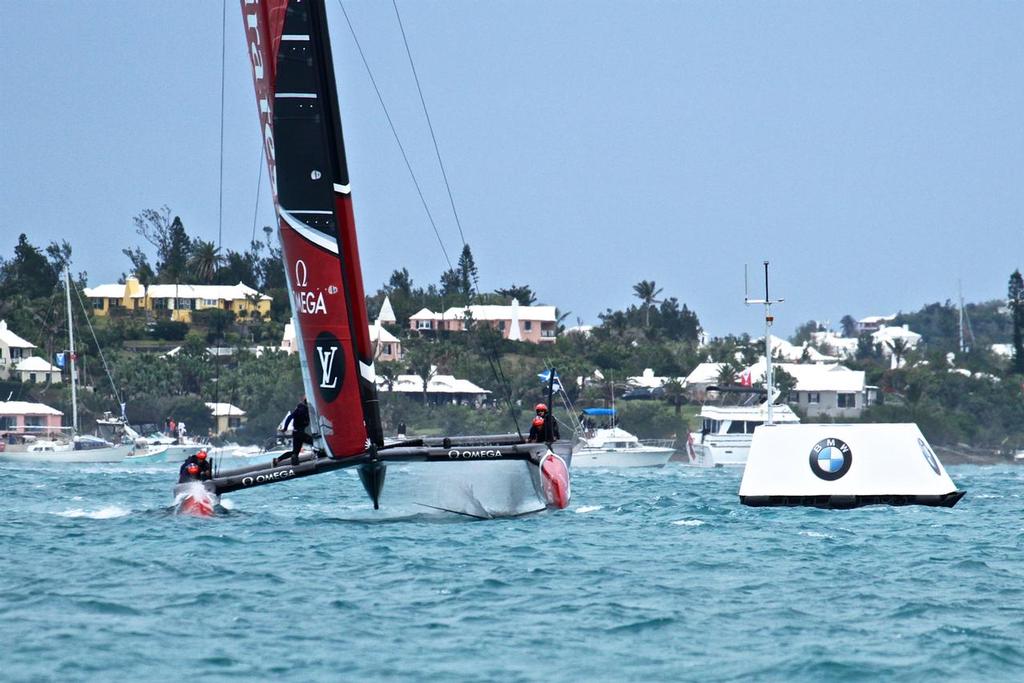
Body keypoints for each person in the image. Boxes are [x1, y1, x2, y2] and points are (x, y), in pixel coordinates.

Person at [276, 396, 311, 467]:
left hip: (296, 433)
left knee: (295, 452)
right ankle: (321, 454)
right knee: (314, 442)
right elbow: (289, 417)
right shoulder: (302, 409)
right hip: (299, 433)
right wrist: (285, 428)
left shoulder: (305, 409)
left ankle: (277, 460)